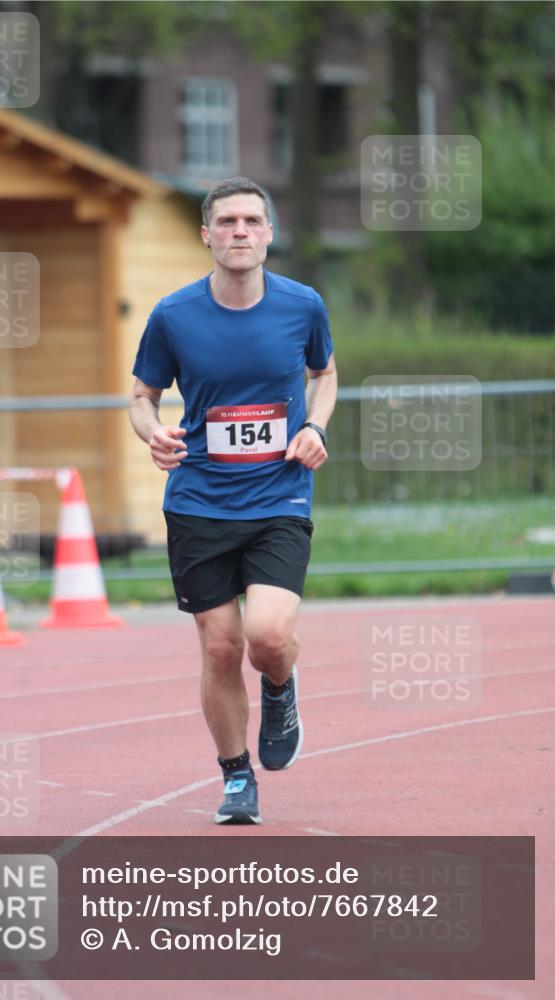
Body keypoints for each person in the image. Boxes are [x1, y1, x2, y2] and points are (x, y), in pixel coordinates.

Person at [129, 176, 337, 825]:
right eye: (227, 222)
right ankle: (235, 777)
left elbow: (322, 374)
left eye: (251, 220)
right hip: (198, 502)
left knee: (267, 637)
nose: (240, 231)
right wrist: (153, 432)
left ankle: (279, 687)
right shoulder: (174, 315)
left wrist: (314, 427)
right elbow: (140, 395)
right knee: (219, 647)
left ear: (269, 233)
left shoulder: (302, 305)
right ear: (207, 236)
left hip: (277, 497)